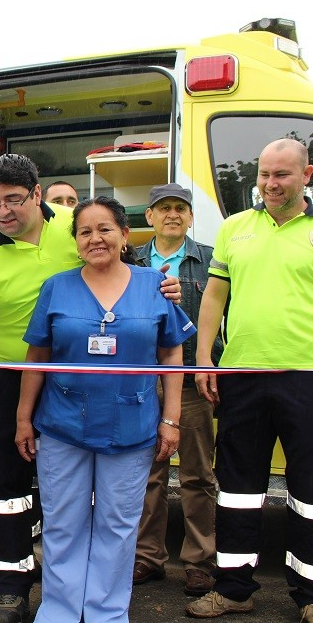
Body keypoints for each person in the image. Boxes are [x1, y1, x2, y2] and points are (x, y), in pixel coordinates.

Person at [0, 153, 180, 623]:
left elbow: (168, 344)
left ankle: (106, 613)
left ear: (38, 196)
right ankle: (44, 604)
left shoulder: (88, 230)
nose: (4, 211)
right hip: (31, 392)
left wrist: (162, 287)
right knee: (43, 507)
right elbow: (30, 349)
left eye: (14, 200)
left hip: (126, 416)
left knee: (116, 521)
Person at [188, 138, 313, 623]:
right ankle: (233, 590)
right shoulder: (234, 229)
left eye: (281, 175)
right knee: (237, 489)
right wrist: (206, 357)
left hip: (312, 380)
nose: (269, 184)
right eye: (264, 174)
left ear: (307, 175)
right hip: (243, 377)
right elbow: (214, 298)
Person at [15, 195, 193, 622]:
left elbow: (172, 355)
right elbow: (36, 357)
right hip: (62, 428)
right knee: (62, 524)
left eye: (105, 229)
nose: (95, 239)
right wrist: (24, 418)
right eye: (84, 232)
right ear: (75, 240)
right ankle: (58, 611)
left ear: (125, 235)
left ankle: (106, 613)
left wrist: (172, 419)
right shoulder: (58, 286)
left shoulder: (156, 284)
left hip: (131, 427)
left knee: (118, 526)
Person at [133, 184, 221, 597]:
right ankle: (147, 558)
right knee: (146, 475)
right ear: (148, 216)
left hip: (191, 382)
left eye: (180, 208)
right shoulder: (128, 259)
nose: (172, 214)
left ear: (190, 217)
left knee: (198, 476)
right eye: (163, 208)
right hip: (140, 383)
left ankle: (199, 562)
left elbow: (225, 316)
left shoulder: (212, 260)